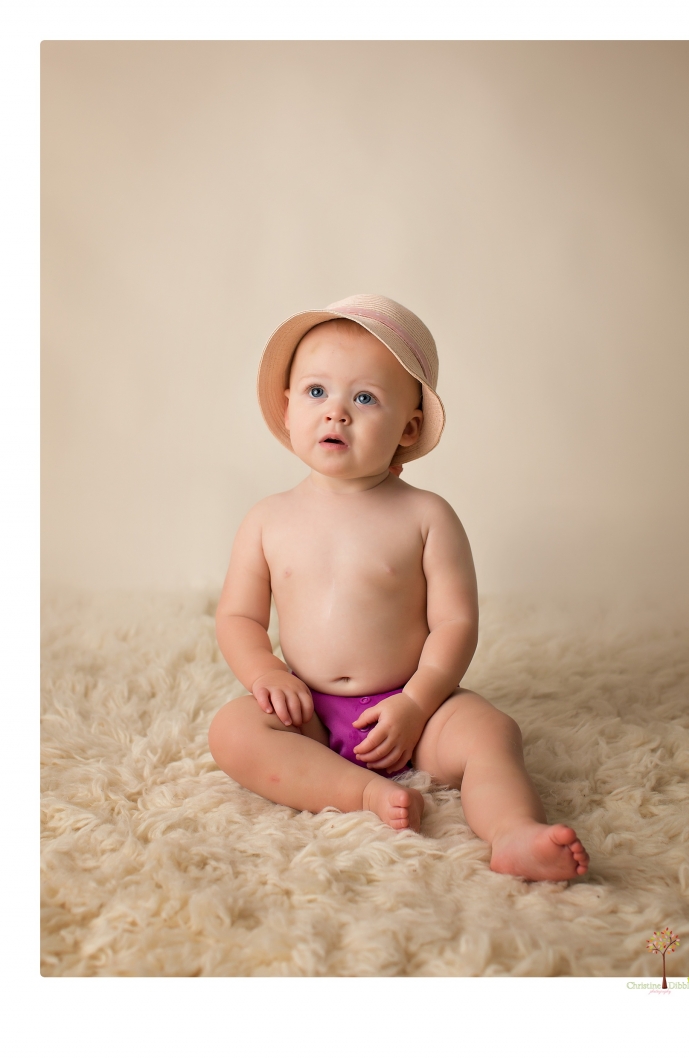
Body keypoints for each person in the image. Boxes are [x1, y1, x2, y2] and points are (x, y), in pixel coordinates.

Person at [208, 295, 589, 880]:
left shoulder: (426, 515)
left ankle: (513, 832)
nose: (336, 413)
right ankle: (357, 791)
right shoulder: (267, 519)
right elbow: (238, 618)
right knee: (232, 731)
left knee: (491, 732)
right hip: (308, 711)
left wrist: (416, 702)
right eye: (316, 392)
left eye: (364, 398)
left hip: (412, 706)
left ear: (408, 428)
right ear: (287, 410)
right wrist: (266, 674)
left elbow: (455, 623)